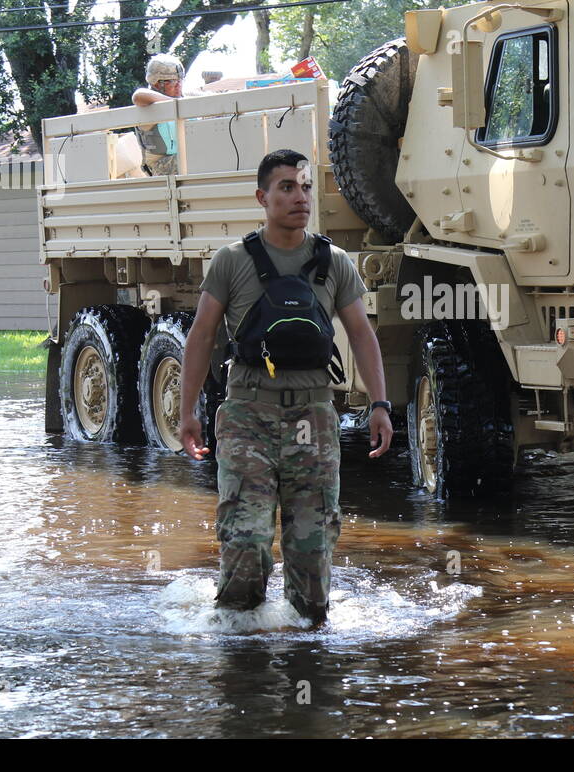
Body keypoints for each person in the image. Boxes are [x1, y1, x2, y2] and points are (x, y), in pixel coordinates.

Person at [177, 149, 393, 627]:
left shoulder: (332, 262)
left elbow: (362, 335)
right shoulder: (233, 261)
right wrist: (187, 410)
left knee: (313, 552)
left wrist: (379, 404)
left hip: (313, 418)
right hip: (248, 415)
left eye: (305, 187)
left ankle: (307, 659)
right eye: (287, 188)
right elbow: (202, 336)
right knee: (247, 541)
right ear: (263, 197)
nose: (300, 198)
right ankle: (239, 655)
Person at [132, 53, 186, 176]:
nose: (178, 85)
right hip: (160, 168)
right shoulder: (148, 108)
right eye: (172, 81)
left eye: (180, 80)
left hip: (184, 161)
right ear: (156, 83)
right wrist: (174, 103)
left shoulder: (183, 99)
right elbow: (138, 96)